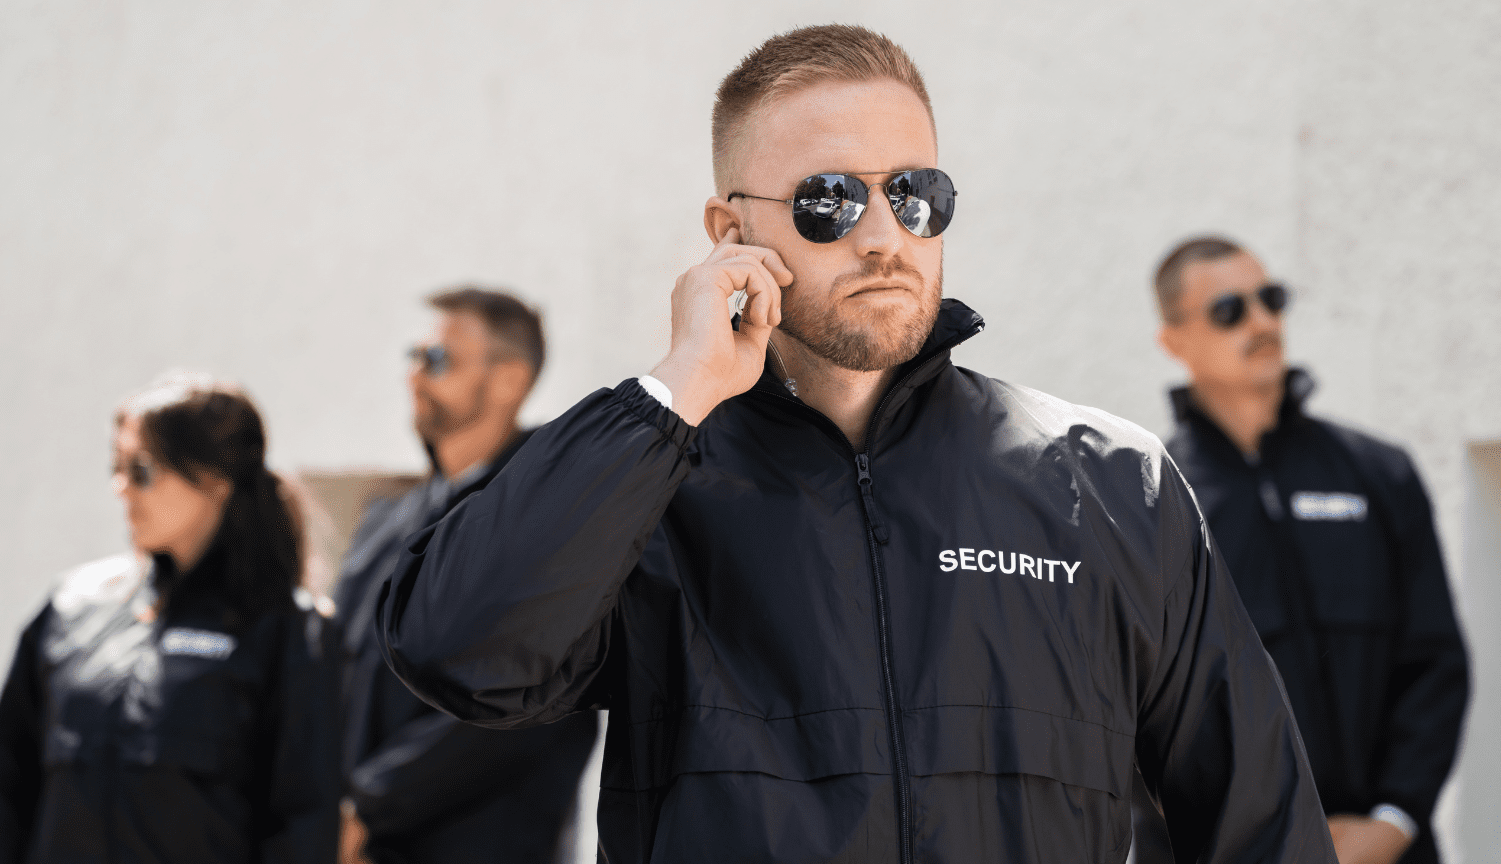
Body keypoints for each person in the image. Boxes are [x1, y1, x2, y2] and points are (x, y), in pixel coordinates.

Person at [378, 26, 1337, 862]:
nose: (885, 235)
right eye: (830, 199)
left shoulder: (1110, 483)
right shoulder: (653, 485)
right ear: (730, 232)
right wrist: (677, 388)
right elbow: (460, 651)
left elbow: (1261, 823)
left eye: (917, 194)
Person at [1155, 236, 1469, 864]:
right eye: (1230, 310)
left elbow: (1435, 662)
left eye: (1271, 300)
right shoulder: (1153, 498)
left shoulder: (1379, 474)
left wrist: (1393, 820)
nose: (1263, 322)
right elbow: (1146, 701)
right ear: (1176, 341)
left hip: (1387, 850)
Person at [0, 373, 338, 864]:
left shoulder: (288, 633)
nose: (122, 489)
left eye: (141, 471)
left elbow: (302, 824)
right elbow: (6, 796)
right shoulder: (69, 610)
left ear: (211, 481)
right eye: (115, 469)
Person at [335, 287, 599, 864]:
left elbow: (518, 698)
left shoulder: (547, 511)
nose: (413, 376)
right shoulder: (387, 521)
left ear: (508, 381)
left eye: (436, 360)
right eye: (412, 356)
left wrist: (368, 806)